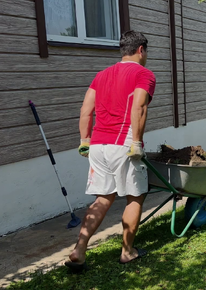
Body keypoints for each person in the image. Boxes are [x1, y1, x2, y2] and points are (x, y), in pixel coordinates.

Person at [65, 30, 156, 271]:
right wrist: (136, 142)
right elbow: (139, 108)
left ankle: (80, 250)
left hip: (98, 145)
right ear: (141, 50)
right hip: (123, 144)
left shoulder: (101, 75)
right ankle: (127, 252)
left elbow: (86, 110)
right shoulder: (143, 74)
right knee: (135, 196)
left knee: (103, 197)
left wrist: (84, 140)